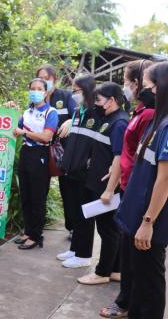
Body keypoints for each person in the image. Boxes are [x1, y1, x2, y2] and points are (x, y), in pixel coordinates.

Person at [100, 60, 155, 318]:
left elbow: (145, 160)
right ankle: (125, 301)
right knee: (128, 251)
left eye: (126, 79)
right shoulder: (139, 112)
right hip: (128, 189)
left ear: (138, 82)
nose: (125, 85)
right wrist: (117, 169)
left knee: (140, 259)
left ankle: (128, 303)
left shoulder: (149, 117)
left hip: (137, 193)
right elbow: (129, 153)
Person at [115, 62, 168, 319]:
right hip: (137, 212)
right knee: (138, 276)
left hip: (149, 218)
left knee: (149, 282)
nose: (142, 92)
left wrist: (148, 221)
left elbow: (165, 180)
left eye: (147, 87)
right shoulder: (156, 121)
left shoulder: (167, 126)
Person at [75, 82, 129, 285]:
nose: (95, 103)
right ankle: (116, 269)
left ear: (111, 100)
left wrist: (108, 190)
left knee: (108, 231)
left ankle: (102, 272)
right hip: (97, 182)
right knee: (109, 230)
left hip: (106, 187)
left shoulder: (119, 123)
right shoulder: (108, 118)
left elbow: (118, 158)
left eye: (98, 100)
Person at [8, 78, 59, 249]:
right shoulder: (27, 112)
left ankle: (36, 236)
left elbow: (46, 136)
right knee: (26, 196)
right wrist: (11, 111)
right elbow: (14, 127)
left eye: (39, 89)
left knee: (37, 197)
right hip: (26, 154)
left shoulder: (51, 112)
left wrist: (24, 133)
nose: (35, 91)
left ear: (45, 92)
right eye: (32, 88)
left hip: (40, 155)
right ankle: (28, 231)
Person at [57, 74, 100, 268]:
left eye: (76, 91)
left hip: (86, 171)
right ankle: (75, 249)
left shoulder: (96, 112)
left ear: (87, 91)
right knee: (74, 211)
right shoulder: (78, 111)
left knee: (84, 214)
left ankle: (84, 255)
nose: (74, 94)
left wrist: (89, 161)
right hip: (72, 168)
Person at [37, 64, 76, 237]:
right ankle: (36, 227)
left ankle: (72, 227)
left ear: (55, 79)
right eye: (41, 78)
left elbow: (81, 112)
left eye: (47, 78)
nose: (44, 81)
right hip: (41, 151)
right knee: (39, 190)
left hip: (64, 152)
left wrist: (71, 120)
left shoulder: (66, 96)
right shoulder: (36, 100)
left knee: (67, 190)